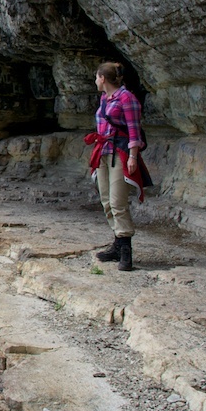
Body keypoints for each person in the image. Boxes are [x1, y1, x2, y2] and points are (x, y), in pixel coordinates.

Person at [84, 62, 151, 271]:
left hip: (121, 154)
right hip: (103, 152)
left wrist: (133, 157)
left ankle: (125, 252)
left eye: (97, 77)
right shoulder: (105, 98)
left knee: (117, 201)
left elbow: (134, 130)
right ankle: (117, 243)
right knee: (105, 200)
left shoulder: (126, 98)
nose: (95, 81)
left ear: (103, 78)